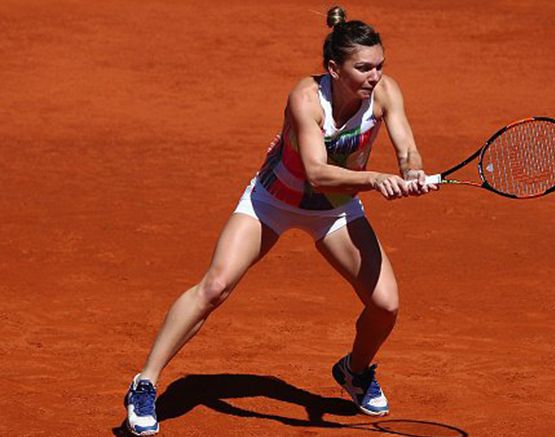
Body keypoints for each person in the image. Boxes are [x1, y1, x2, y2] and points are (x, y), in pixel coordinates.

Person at [123, 5, 437, 436]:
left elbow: (407, 147)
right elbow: (316, 171)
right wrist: (375, 178)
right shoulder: (306, 98)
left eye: (380, 66)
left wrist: (412, 170)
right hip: (273, 200)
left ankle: (354, 371)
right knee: (215, 285)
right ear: (333, 68)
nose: (375, 76)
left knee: (385, 305)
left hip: (335, 211)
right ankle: (145, 382)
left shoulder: (385, 93)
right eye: (364, 68)